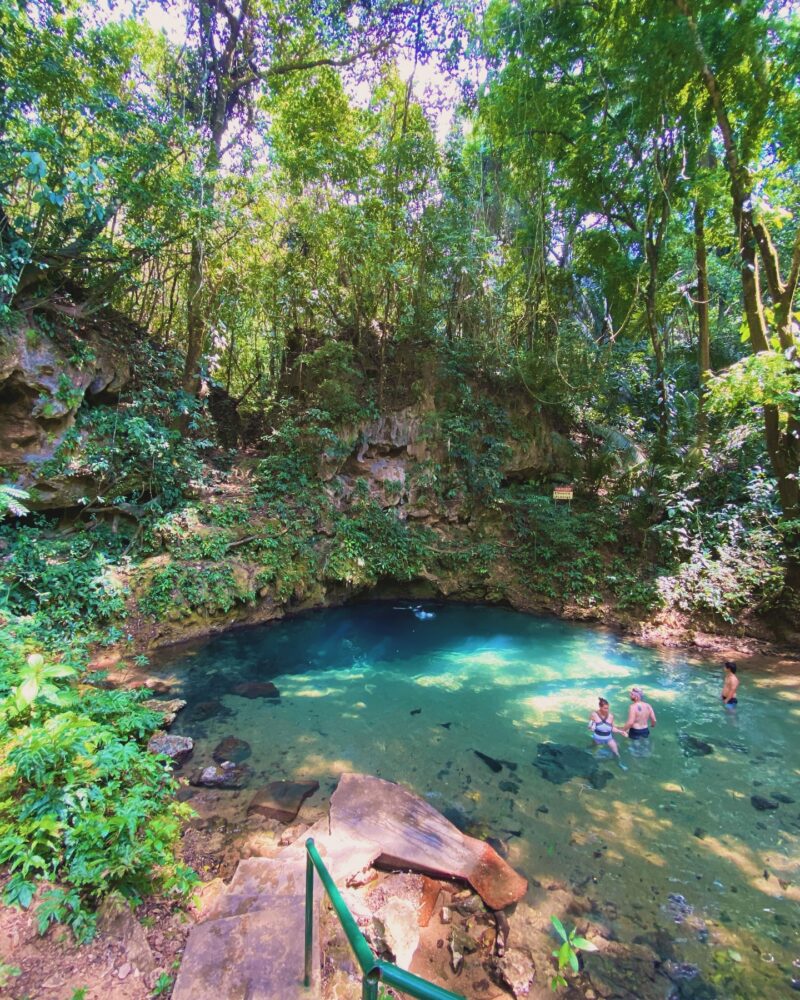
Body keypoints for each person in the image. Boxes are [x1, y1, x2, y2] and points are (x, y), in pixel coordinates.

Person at [589, 697, 626, 767]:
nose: (607, 710)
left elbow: (612, 728)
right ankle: (590, 752)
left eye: (608, 708)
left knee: (616, 751)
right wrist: (592, 726)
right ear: (600, 707)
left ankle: (619, 764)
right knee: (593, 748)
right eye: (605, 708)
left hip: (608, 737)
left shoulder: (611, 716)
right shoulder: (594, 714)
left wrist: (621, 731)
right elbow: (590, 725)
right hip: (597, 737)